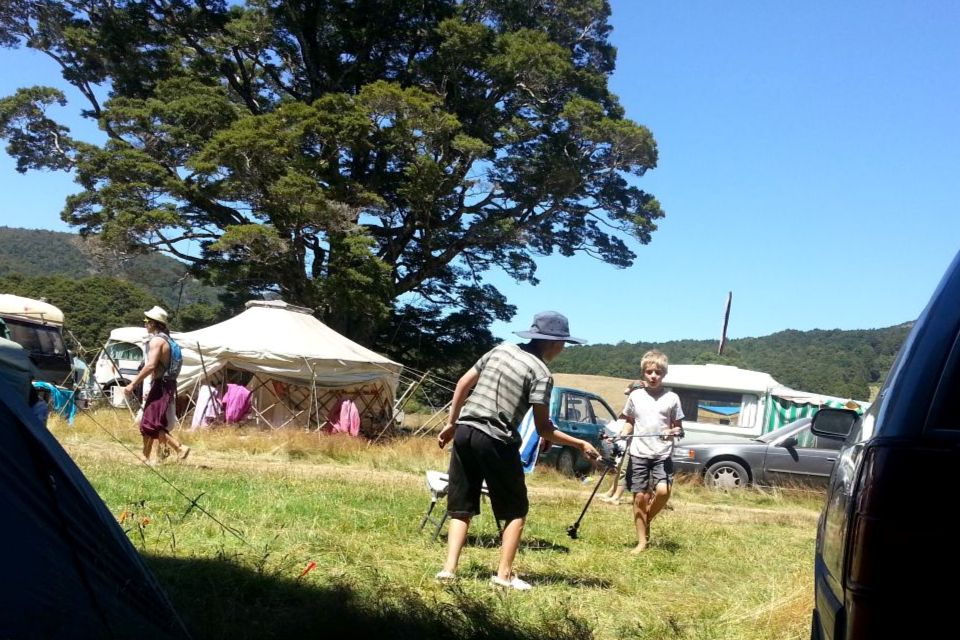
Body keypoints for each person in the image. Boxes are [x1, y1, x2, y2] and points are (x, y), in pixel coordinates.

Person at [436, 311, 601, 590]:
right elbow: (544, 428)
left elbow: (463, 384)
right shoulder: (541, 373)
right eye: (563, 344)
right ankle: (504, 575)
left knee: (461, 506)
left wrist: (452, 423)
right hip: (497, 438)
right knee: (515, 511)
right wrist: (581, 443)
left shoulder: (499, 350)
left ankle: (449, 570)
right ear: (552, 343)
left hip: (465, 431)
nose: (562, 349)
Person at [618, 349, 684, 553]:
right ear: (643, 373)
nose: (653, 376)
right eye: (649, 372)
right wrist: (624, 432)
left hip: (662, 454)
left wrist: (672, 431)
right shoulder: (635, 396)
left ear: (664, 374)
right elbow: (629, 422)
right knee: (640, 498)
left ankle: (645, 519)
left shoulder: (672, 398)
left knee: (663, 492)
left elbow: (679, 428)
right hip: (639, 453)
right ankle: (642, 542)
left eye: (658, 372)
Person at [124, 306, 190, 465]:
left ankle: (179, 448)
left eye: (147, 321)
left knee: (151, 423)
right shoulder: (169, 340)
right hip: (166, 385)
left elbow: (151, 366)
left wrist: (133, 383)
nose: (145, 323)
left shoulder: (157, 341)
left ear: (154, 323)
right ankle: (145, 457)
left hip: (161, 385)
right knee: (148, 421)